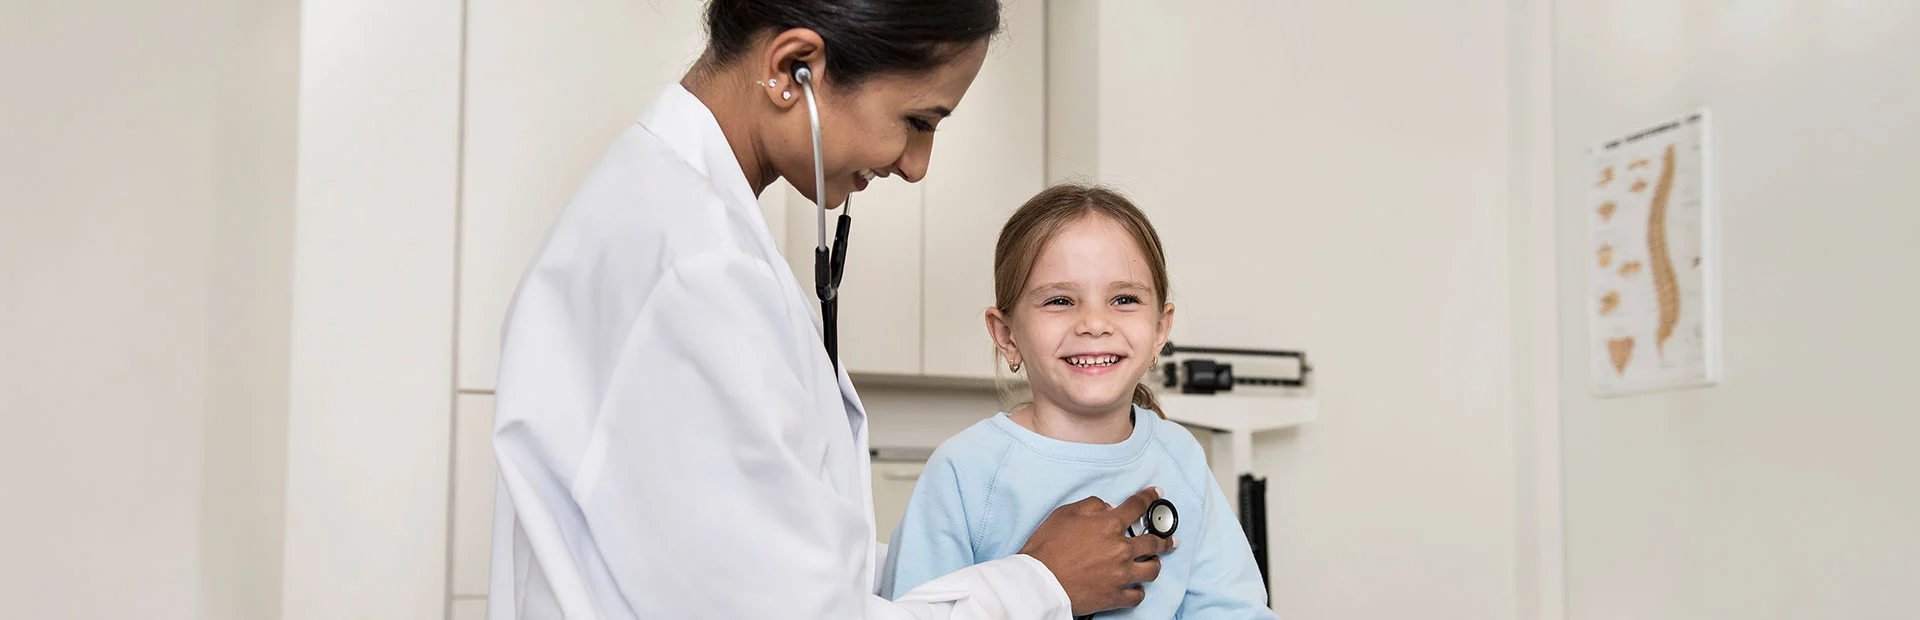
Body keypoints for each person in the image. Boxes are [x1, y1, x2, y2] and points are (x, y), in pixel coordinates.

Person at [486, 2, 1175, 618]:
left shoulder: (680, 225)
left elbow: (777, 558)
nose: (917, 165)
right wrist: (1039, 584)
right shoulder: (692, 270)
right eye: (917, 121)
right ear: (794, 68)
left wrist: (963, 554)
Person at [878, 184, 1276, 618]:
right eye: (1059, 301)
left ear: (1160, 329)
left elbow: (1232, 609)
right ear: (1007, 335)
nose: (1094, 323)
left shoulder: (1181, 459)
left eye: (1124, 299)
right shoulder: (965, 471)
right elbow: (914, 611)